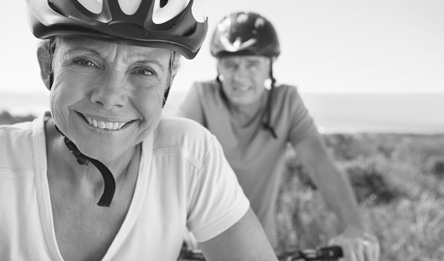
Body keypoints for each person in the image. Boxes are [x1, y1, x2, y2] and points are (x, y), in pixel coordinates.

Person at [0, 1, 278, 260]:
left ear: (168, 83)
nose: (110, 97)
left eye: (144, 70)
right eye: (85, 61)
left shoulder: (188, 156)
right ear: (47, 65)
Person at [178, 11, 380, 261]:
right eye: (230, 65)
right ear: (219, 66)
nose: (240, 76)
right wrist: (175, 225)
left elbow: (321, 165)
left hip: (260, 248)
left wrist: (354, 228)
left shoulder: (287, 102)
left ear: (269, 65)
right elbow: (174, 162)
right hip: (198, 246)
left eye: (252, 64)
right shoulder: (201, 96)